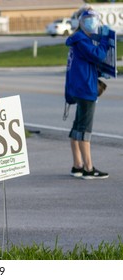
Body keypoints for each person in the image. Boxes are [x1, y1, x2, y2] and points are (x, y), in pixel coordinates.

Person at [65, 8, 109, 179]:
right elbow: (98, 55)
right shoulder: (82, 40)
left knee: (77, 126)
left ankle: (77, 164)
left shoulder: (77, 40)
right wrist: (105, 40)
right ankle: (88, 168)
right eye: (89, 18)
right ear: (81, 22)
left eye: (94, 18)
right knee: (85, 130)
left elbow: (82, 65)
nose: (92, 21)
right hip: (85, 90)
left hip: (78, 88)